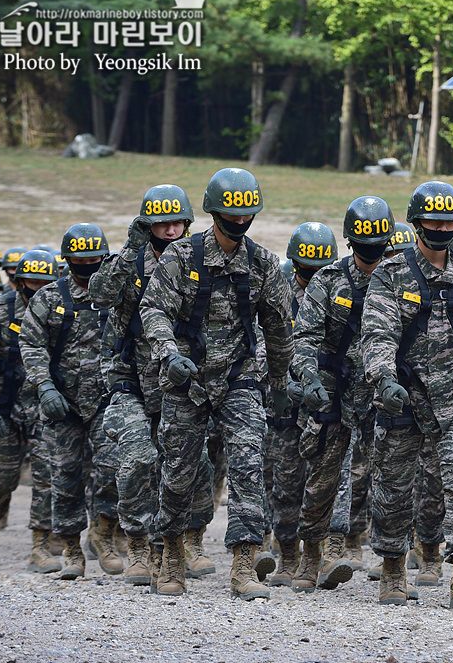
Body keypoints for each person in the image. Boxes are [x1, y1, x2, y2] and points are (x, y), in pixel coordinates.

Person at [139, 167, 294, 600]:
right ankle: (170, 553)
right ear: (213, 212)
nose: (239, 221)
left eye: (247, 214)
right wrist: (168, 355)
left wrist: (279, 382)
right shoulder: (180, 258)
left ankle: (244, 564)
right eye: (231, 213)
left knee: (247, 465)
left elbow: (280, 328)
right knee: (179, 472)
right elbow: (154, 312)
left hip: (239, 377)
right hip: (184, 378)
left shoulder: (263, 264)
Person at [362, 180, 453, 609]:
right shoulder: (390, 273)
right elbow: (378, 332)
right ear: (416, 222)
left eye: (449, 221)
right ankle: (392, 571)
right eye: (433, 220)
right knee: (394, 489)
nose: (441, 228)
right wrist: (385, 380)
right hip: (401, 396)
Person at [91, 185, 219, 586]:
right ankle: (138, 546)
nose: (169, 230)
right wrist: (130, 250)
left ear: (188, 222)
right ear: (147, 225)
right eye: (160, 223)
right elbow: (98, 294)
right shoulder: (131, 262)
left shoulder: (203, 261)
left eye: (176, 221)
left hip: (182, 381)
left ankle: (189, 542)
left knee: (193, 463)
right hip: (131, 377)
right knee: (140, 459)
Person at [290, 196, 394, 593]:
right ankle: (313, 554)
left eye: (378, 241)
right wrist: (309, 378)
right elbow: (305, 337)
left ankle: (391, 566)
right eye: (363, 240)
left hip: (382, 390)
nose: (371, 250)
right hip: (332, 390)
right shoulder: (328, 280)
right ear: (350, 240)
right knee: (321, 479)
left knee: (389, 478)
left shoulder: (401, 279)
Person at [19, 224, 118, 580]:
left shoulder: (116, 294)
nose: (88, 265)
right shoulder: (48, 298)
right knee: (65, 477)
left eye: (95, 259)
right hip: (62, 402)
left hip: (108, 400)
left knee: (111, 472)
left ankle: (103, 536)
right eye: (80, 259)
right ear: (67, 260)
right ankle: (72, 550)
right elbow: (30, 344)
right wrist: (44, 387)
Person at [0, 249, 60, 572]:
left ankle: (40, 544)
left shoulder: (60, 310)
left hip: (44, 409)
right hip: (4, 409)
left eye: (45, 282)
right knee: (0, 479)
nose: (37, 289)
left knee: (48, 476)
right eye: (31, 282)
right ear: (17, 281)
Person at [265, 221, 337, 588]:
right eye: (305, 270)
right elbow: (260, 343)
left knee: (322, 484)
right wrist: (283, 384)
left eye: (319, 271)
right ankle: (288, 554)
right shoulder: (277, 294)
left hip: (326, 404)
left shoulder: (341, 293)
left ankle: (316, 554)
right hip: (284, 406)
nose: (312, 278)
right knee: (285, 484)